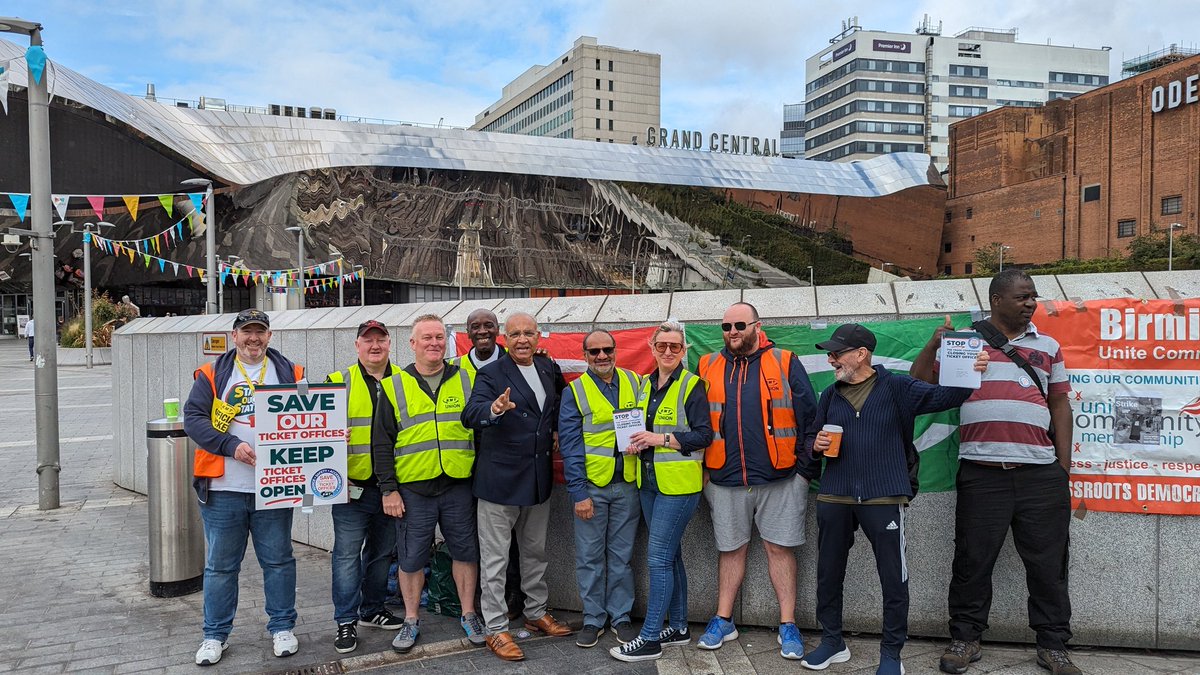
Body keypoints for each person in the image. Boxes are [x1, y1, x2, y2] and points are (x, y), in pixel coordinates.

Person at [910, 269, 1079, 675]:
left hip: (1041, 476)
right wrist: (935, 346)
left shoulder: (1048, 346)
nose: (1031, 302)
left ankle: (1053, 645)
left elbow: (1060, 405)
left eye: (1033, 296)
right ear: (997, 300)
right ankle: (965, 639)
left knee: (1049, 563)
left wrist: (1063, 467)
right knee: (972, 560)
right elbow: (917, 387)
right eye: (1022, 296)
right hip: (982, 473)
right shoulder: (964, 343)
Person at [801, 323, 989, 675]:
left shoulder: (897, 386)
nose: (831, 359)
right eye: (829, 353)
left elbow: (947, 396)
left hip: (883, 495)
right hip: (834, 495)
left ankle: (891, 653)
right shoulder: (829, 394)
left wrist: (969, 375)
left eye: (837, 352)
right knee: (828, 572)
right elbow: (810, 438)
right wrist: (815, 445)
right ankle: (831, 641)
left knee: (893, 577)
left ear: (861, 354)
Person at [182, 309, 305, 666]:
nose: (254, 338)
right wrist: (230, 446)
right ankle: (214, 635)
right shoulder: (211, 374)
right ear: (233, 336)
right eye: (246, 331)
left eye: (260, 332)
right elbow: (193, 419)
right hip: (223, 487)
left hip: (274, 487)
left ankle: (282, 627)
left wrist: (325, 438)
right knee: (221, 566)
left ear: (269, 336)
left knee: (279, 561)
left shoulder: (292, 372)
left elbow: (308, 417)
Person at [695, 301, 817, 659]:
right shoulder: (708, 365)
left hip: (780, 478)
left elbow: (810, 417)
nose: (732, 332)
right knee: (730, 550)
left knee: (779, 548)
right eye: (726, 326)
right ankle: (724, 619)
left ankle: (788, 624)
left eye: (740, 325)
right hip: (725, 477)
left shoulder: (784, 360)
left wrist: (805, 471)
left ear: (757, 326)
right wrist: (705, 474)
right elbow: (698, 421)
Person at [373, 314, 487, 653]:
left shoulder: (467, 379)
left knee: (465, 552)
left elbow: (481, 433)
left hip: (458, 485)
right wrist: (388, 489)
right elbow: (381, 442)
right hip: (413, 489)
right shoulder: (394, 385)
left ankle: (469, 613)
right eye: (426, 338)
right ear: (412, 344)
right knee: (410, 558)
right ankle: (410, 619)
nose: (434, 343)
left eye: (439, 337)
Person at [462, 312, 572, 662]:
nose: (522, 339)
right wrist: (493, 409)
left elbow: (555, 405)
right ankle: (496, 628)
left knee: (535, 553)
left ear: (539, 336)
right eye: (515, 334)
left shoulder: (546, 368)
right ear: (504, 339)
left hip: (537, 479)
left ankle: (536, 611)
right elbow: (470, 414)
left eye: (528, 333)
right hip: (499, 482)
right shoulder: (490, 373)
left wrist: (554, 429)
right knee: (495, 561)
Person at [609, 320, 713, 663]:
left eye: (675, 347)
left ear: (684, 351)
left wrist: (660, 439)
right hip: (649, 482)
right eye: (662, 346)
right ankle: (680, 626)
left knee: (657, 559)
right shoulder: (644, 385)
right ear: (652, 349)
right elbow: (640, 428)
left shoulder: (693, 385)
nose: (668, 351)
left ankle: (651, 637)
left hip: (679, 488)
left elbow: (703, 435)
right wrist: (634, 442)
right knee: (671, 556)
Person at [325, 320, 405, 654]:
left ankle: (372, 609)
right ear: (357, 346)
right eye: (367, 340)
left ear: (390, 343)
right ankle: (345, 621)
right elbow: (312, 429)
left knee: (382, 554)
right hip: (351, 488)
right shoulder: (336, 382)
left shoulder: (406, 379)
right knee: (346, 556)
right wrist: (330, 437)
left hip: (392, 488)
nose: (375, 346)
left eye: (381, 340)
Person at [559, 330, 643, 648]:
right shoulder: (575, 392)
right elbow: (570, 446)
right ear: (585, 355)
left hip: (628, 486)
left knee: (621, 558)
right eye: (594, 352)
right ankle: (594, 618)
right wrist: (579, 493)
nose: (602, 356)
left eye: (607, 349)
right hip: (592, 489)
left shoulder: (636, 382)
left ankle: (620, 616)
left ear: (616, 350)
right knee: (590, 557)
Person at [448, 308, 524, 620]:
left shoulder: (518, 362)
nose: (482, 331)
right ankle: (479, 598)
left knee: (513, 537)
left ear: (498, 331)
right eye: (475, 326)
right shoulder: (454, 369)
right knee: (478, 537)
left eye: (489, 326)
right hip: (468, 462)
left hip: (509, 463)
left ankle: (514, 594)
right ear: (467, 333)